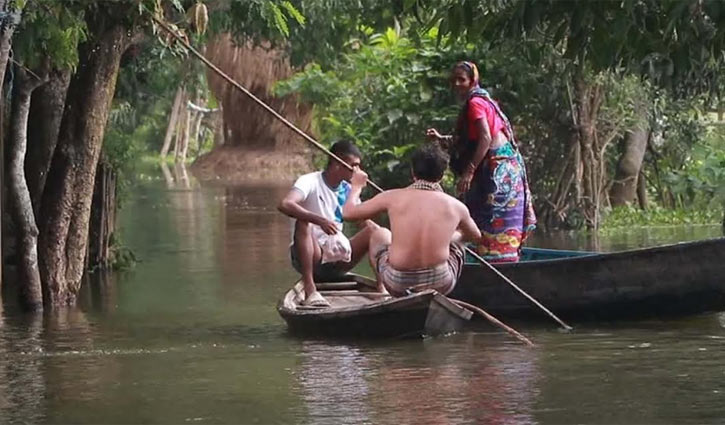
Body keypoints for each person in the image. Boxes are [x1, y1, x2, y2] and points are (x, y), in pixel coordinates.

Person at [426, 60, 536, 262]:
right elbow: (469, 140)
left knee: (492, 218)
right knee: (486, 218)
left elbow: (485, 138)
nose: (458, 84)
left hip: (499, 171)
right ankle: (498, 260)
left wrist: (469, 171)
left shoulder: (476, 103)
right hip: (504, 167)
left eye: (462, 80)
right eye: (455, 80)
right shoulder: (480, 101)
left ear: (472, 80)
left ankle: (497, 263)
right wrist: (441, 138)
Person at [342, 144, 481, 297]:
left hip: (397, 283)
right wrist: (452, 236)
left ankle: (383, 289)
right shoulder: (456, 206)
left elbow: (348, 213)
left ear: (413, 172)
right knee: (459, 240)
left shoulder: (392, 197)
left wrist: (356, 187)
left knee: (380, 234)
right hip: (441, 283)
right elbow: (475, 236)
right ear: (441, 176)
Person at [278, 140, 377, 307]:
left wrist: (381, 232)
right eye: (354, 165)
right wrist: (319, 220)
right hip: (311, 257)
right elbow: (285, 204)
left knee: (376, 232)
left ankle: (384, 290)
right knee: (303, 222)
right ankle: (310, 289)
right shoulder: (309, 181)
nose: (358, 171)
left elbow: (362, 221)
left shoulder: (347, 189)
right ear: (338, 161)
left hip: (338, 258)